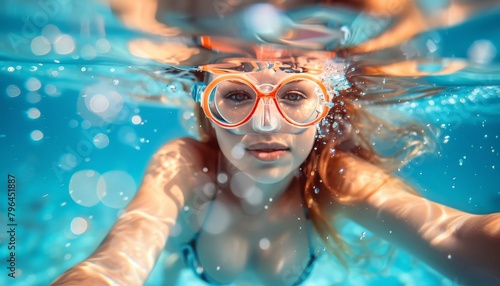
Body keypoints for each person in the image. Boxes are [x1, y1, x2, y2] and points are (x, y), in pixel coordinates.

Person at [52, 58, 500, 286]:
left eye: (293, 96)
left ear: (322, 108)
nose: (266, 124)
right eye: (237, 96)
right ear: (208, 110)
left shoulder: (332, 177)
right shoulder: (187, 168)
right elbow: (116, 263)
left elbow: (453, 236)